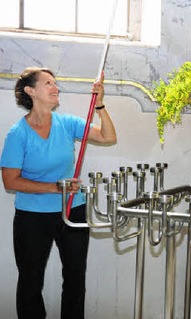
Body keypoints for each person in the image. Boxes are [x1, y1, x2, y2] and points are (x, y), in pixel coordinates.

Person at [1, 67, 117, 319]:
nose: (55, 88)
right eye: (48, 83)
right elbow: (10, 181)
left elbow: (108, 137)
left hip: (73, 210)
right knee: (31, 281)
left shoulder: (67, 123)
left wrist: (100, 105)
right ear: (30, 91)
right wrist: (53, 187)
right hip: (32, 216)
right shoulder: (17, 134)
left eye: (55, 83)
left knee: (75, 278)